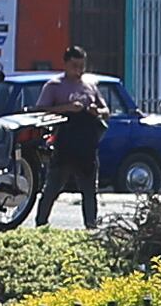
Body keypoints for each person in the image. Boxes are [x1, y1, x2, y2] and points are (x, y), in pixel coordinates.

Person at [38, 39, 114, 228]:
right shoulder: (54, 85)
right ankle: (41, 223)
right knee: (53, 187)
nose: (78, 70)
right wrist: (67, 108)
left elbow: (107, 111)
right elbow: (40, 111)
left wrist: (97, 111)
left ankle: (91, 225)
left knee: (89, 190)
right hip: (64, 143)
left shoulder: (90, 85)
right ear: (65, 64)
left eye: (82, 66)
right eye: (74, 66)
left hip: (87, 145)